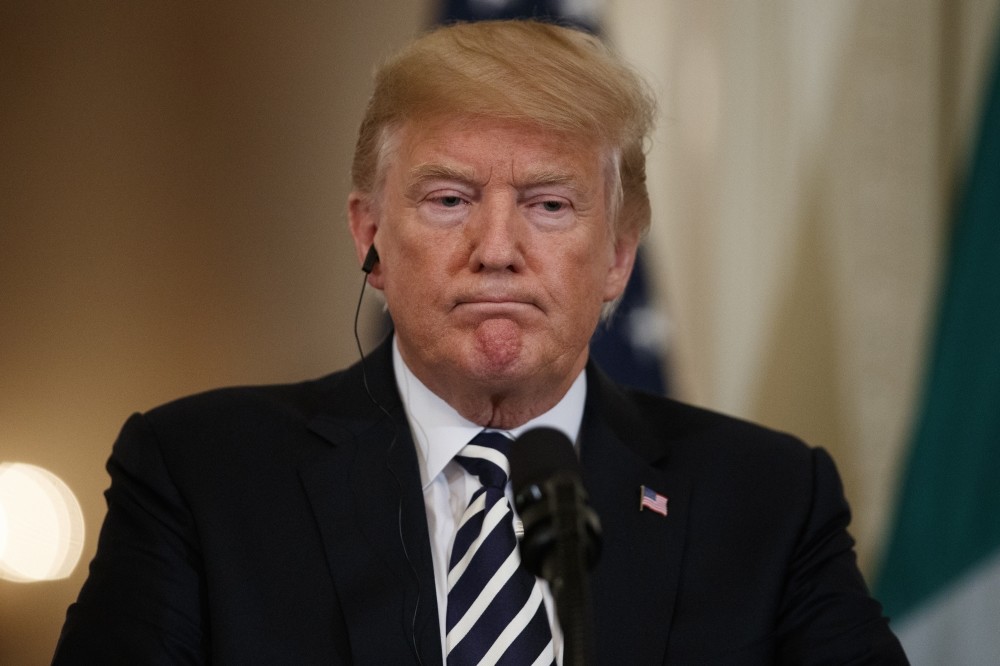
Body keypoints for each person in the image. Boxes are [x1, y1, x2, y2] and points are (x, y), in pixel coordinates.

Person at [53, 20, 907, 665]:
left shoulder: (766, 500)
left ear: (617, 255)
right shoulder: (201, 477)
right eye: (450, 199)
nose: (496, 249)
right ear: (369, 236)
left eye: (549, 205)